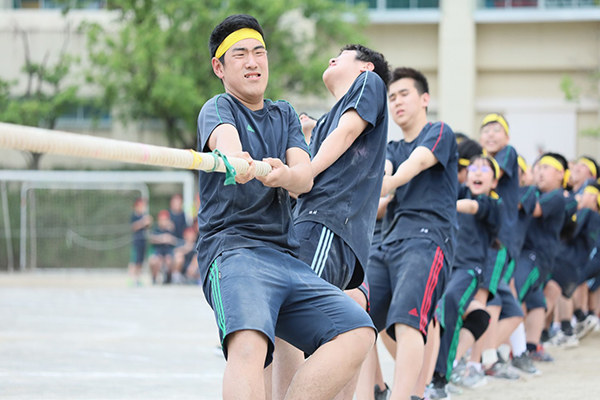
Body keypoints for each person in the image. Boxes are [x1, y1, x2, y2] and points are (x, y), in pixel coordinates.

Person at [196, 14, 376, 400]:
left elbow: (304, 176)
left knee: (357, 331)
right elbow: (225, 142)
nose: (252, 62)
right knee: (248, 346)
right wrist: (236, 161)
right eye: (240, 54)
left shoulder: (285, 114)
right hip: (234, 254)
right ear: (219, 67)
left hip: (286, 258)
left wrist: (281, 175)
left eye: (259, 52)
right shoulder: (218, 108)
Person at [274, 43, 391, 400]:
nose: (331, 59)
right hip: (317, 223)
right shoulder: (329, 119)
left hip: (326, 223)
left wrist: (304, 167)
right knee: (317, 328)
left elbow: (345, 135)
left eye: (341, 56)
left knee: (290, 319)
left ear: (365, 67)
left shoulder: (370, 86)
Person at [367, 67, 458, 400]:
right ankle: (373, 391)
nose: (396, 102)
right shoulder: (390, 147)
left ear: (424, 99)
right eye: (391, 97)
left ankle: (408, 396)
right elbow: (387, 167)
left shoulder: (439, 132)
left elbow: (417, 163)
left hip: (428, 238)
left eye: (403, 94)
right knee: (356, 321)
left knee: (408, 322)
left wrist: (388, 183)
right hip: (388, 240)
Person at [429, 155, 502, 398]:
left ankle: (441, 378)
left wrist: (446, 203)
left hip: (470, 270)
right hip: (443, 266)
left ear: (494, 180)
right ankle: (429, 372)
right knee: (472, 315)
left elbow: (471, 207)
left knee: (451, 302)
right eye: (473, 168)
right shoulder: (458, 190)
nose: (478, 173)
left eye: (484, 169)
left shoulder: (493, 204)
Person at [148, 209, 177, 284]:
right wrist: (162, 238)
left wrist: (170, 239)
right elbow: (151, 238)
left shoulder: (171, 229)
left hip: (168, 251)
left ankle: (168, 277)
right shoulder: (156, 228)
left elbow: (176, 240)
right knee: (155, 261)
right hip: (158, 250)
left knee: (169, 260)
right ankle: (154, 278)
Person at [128, 197, 151, 286]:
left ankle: (137, 278)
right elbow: (133, 227)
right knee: (134, 260)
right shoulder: (134, 216)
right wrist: (143, 222)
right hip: (136, 241)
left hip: (143, 241)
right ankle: (131, 278)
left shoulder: (144, 216)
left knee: (141, 261)